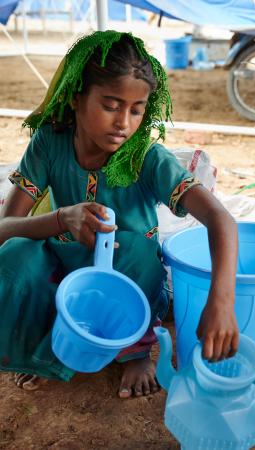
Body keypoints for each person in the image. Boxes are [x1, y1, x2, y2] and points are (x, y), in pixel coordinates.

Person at [0, 30, 239, 398]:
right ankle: (40, 347)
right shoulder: (50, 142)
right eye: (111, 105)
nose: (123, 123)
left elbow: (220, 219)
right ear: (78, 98)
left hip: (131, 286)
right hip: (65, 277)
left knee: (128, 245)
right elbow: (5, 228)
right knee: (15, 256)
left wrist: (221, 302)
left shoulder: (146, 158)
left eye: (136, 110)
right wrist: (62, 218)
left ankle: (135, 350)